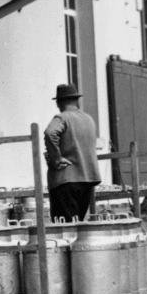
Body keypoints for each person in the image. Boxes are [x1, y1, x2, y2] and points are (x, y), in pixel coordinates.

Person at [43, 84, 100, 220]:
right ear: (77, 101)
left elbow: (50, 133)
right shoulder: (89, 119)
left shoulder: (62, 118)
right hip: (86, 180)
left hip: (66, 180)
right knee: (78, 225)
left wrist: (56, 158)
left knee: (65, 229)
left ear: (58, 103)